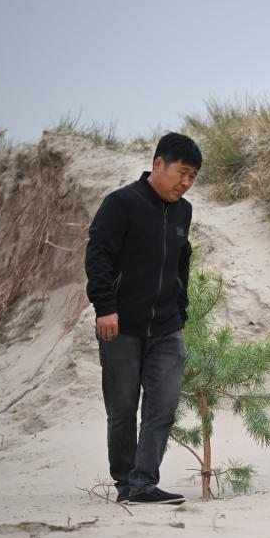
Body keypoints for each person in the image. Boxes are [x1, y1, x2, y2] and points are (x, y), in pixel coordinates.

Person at [85, 132, 202, 504]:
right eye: (182, 172)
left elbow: (181, 263)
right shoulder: (122, 203)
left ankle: (144, 483)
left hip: (167, 327)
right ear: (158, 164)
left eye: (193, 176)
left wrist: (180, 311)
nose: (186, 182)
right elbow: (98, 256)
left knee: (163, 406)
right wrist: (105, 308)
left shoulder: (183, 211)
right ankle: (125, 484)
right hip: (121, 325)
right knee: (122, 409)